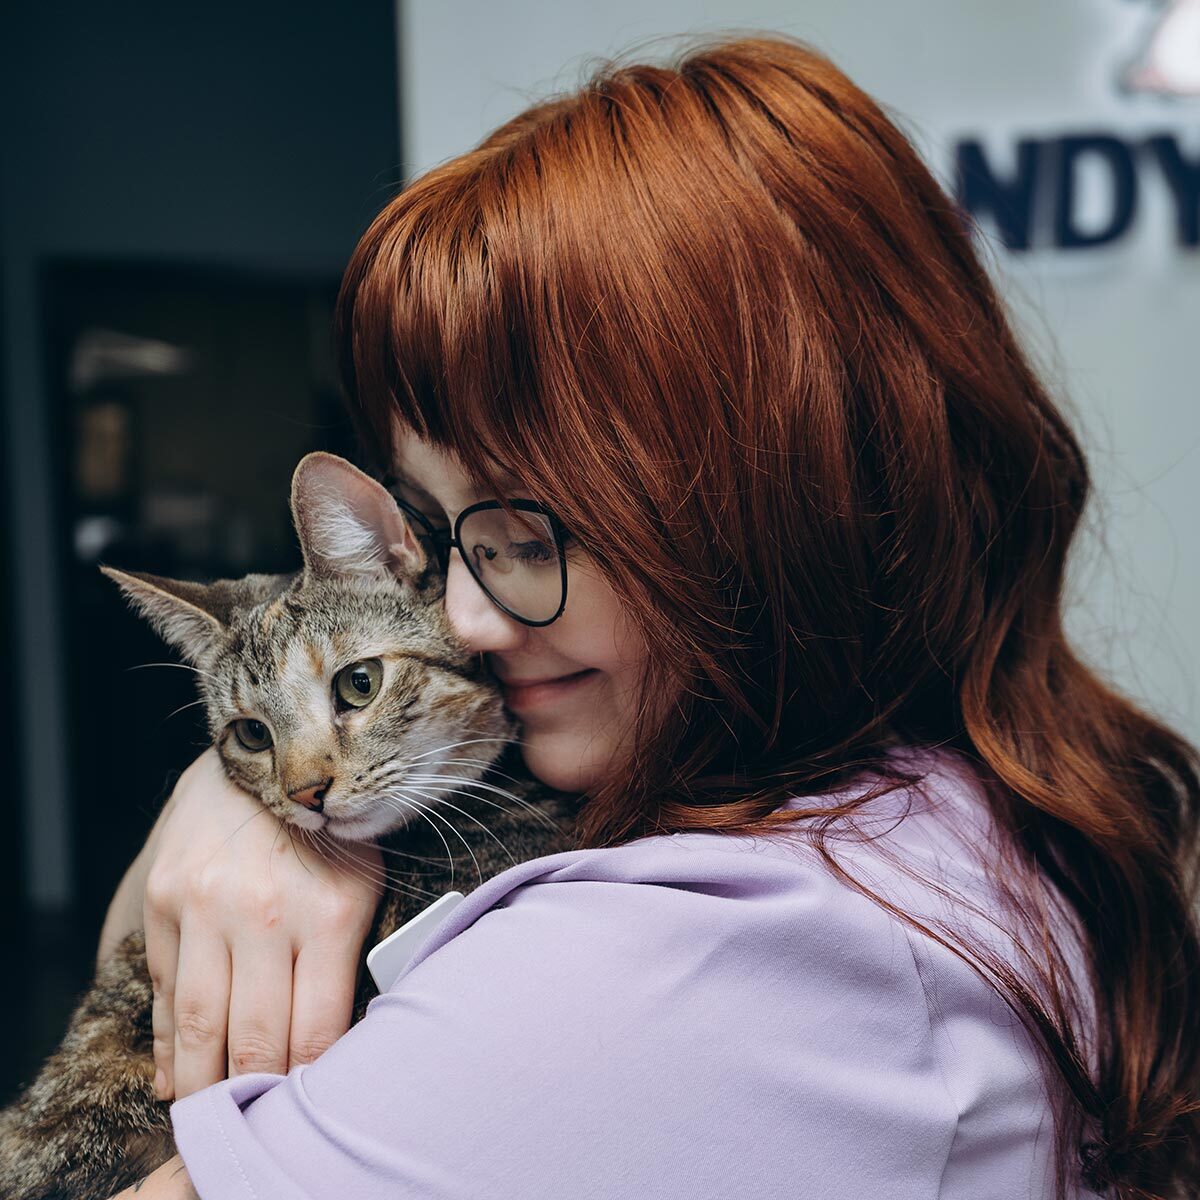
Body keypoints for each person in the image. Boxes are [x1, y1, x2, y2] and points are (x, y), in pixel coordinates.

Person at [103, 32, 1200, 1200]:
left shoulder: (687, 972)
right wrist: (230, 797)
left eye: (528, 539)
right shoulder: (953, 801)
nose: (465, 617)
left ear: (780, 502)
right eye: (449, 529)